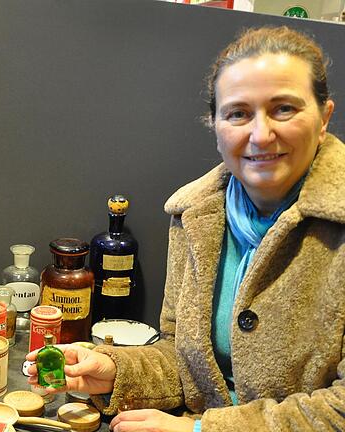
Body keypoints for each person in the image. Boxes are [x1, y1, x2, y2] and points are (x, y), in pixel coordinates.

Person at [28, 26, 344, 431]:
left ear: (324, 118)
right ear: (215, 126)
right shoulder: (195, 215)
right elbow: (185, 360)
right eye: (238, 113)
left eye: (284, 108)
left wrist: (200, 430)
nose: (261, 134)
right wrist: (113, 370)